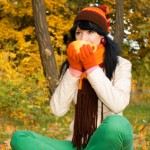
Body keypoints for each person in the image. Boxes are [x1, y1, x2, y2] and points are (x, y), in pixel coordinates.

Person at [10, 5, 134, 150]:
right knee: (20, 137)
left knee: (117, 124)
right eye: (79, 33)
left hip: (111, 142)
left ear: (102, 36)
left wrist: (91, 68)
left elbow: (118, 104)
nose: (83, 38)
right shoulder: (72, 66)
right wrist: (74, 71)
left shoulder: (121, 65)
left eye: (90, 32)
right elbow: (57, 109)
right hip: (78, 144)